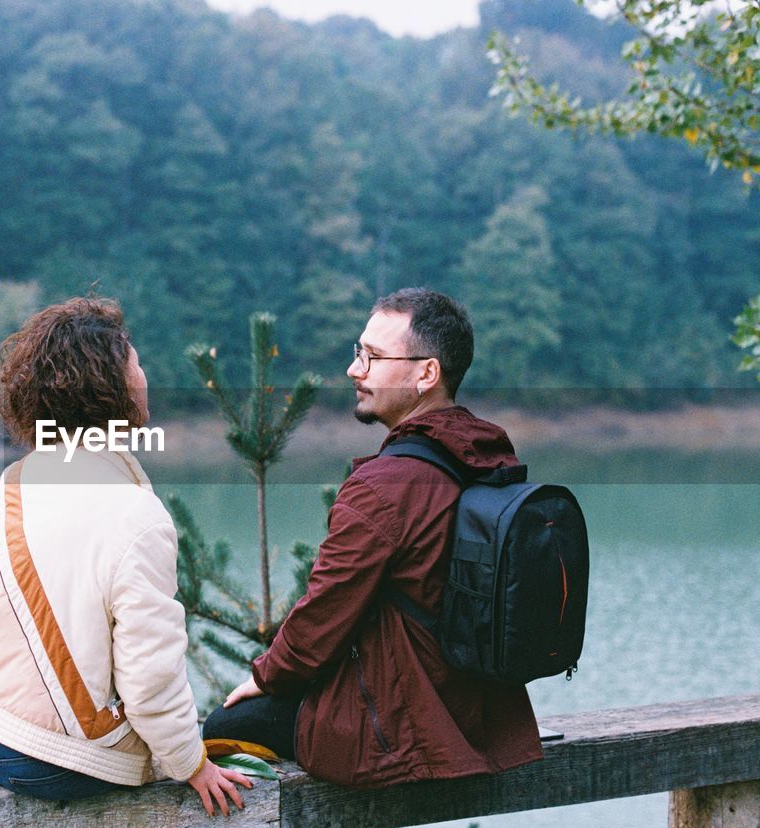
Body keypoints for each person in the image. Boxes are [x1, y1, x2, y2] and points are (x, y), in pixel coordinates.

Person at [0, 297, 252, 828]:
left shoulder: (19, 478)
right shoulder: (135, 515)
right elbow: (150, 673)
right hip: (36, 757)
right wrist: (193, 765)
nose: (146, 376)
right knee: (167, 765)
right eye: (134, 365)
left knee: (156, 742)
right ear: (106, 387)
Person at [203, 288, 543, 788]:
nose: (354, 370)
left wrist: (263, 677)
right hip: (486, 718)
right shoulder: (487, 455)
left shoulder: (385, 486)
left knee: (219, 731)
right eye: (357, 352)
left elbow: (323, 615)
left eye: (374, 357)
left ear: (426, 374)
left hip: (403, 728)